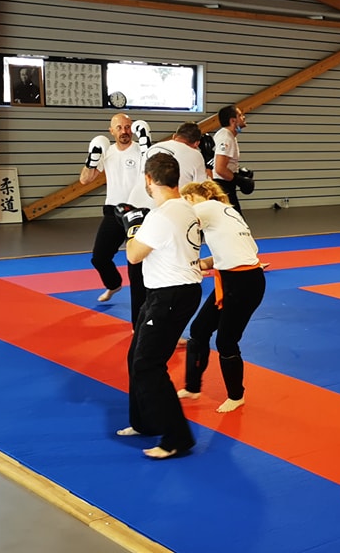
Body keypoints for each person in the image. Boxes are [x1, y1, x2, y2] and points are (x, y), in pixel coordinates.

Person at [118, 154, 201, 459]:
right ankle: (145, 422)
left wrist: (132, 228)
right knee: (136, 356)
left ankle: (178, 438)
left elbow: (133, 255)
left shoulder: (160, 216)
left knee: (148, 364)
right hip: (170, 293)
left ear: (148, 180)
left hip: (170, 296)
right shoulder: (186, 208)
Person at [177, 181, 265, 413]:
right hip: (234, 279)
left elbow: (178, 220)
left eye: (186, 200)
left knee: (226, 341)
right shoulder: (227, 212)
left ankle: (236, 396)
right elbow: (234, 252)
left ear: (194, 197)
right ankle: (192, 387)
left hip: (244, 283)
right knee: (199, 329)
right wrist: (198, 264)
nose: (186, 205)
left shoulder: (207, 207)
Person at [79, 113, 154, 315]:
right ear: (111, 131)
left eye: (127, 127)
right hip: (114, 211)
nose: (124, 131)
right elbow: (85, 180)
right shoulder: (107, 152)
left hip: (138, 211)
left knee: (135, 267)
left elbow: (154, 172)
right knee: (99, 258)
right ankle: (113, 284)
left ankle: (138, 319)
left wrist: (147, 146)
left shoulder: (142, 149)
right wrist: (92, 158)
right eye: (119, 128)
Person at [145, 122, 208, 189]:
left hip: (142, 193)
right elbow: (201, 187)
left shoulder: (151, 148)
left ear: (174, 136)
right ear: (197, 143)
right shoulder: (195, 154)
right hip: (174, 194)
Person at [212, 105, 247, 215]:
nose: (244, 117)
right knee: (236, 220)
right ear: (233, 120)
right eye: (240, 115)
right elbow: (219, 169)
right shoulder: (225, 137)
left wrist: (238, 172)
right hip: (222, 186)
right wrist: (239, 180)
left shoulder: (229, 136)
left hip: (225, 184)